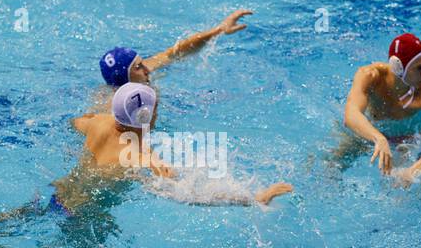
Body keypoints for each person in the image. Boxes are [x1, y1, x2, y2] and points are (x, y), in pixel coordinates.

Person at [63, 82, 291, 211]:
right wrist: (253, 198)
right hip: (85, 214)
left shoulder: (96, 122)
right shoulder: (140, 159)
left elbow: (73, 122)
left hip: (62, 194)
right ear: (146, 117)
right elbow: (190, 194)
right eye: (156, 110)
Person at [338, 32, 421, 186]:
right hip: (370, 134)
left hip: (407, 141)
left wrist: (413, 171)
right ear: (398, 67)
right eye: (420, 68)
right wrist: (379, 138)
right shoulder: (371, 76)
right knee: (330, 166)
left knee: (400, 189)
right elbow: (350, 115)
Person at [94, 9, 251, 109]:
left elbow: (175, 52)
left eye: (142, 63)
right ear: (124, 80)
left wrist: (218, 30)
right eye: (138, 67)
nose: (147, 68)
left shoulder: (141, 71)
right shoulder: (113, 107)